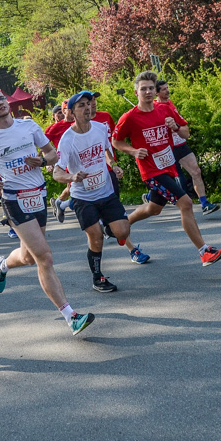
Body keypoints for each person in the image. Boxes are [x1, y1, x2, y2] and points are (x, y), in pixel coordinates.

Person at [0, 88, 95, 335]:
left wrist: (42, 161)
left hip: (37, 195)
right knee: (45, 256)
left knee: (29, 256)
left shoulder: (29, 127)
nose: (0, 103)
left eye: (2, 99)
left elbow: (52, 155)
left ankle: (3, 265)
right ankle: (70, 315)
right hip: (14, 200)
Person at [113, 71, 221, 267]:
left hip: (169, 167)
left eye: (151, 88)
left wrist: (174, 127)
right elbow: (116, 141)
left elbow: (186, 134)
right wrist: (133, 151)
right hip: (151, 171)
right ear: (136, 92)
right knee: (186, 203)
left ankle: (120, 226)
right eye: (144, 89)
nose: (148, 92)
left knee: (154, 208)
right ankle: (204, 252)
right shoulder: (130, 117)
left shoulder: (164, 109)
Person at [54, 90, 145, 292]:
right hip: (82, 197)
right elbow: (56, 172)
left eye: (89, 103)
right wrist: (71, 177)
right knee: (95, 238)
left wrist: (114, 164)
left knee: (123, 231)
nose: (88, 107)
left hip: (105, 190)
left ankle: (107, 226)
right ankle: (98, 278)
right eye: (81, 105)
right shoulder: (67, 139)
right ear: (72, 113)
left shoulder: (100, 128)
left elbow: (106, 150)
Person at [156, 80, 220, 214]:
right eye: (163, 89)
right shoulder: (155, 108)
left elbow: (181, 124)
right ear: (157, 92)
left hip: (180, 143)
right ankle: (152, 195)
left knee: (196, 171)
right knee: (169, 179)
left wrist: (177, 127)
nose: (167, 91)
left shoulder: (170, 103)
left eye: (168, 88)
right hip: (168, 148)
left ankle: (205, 204)